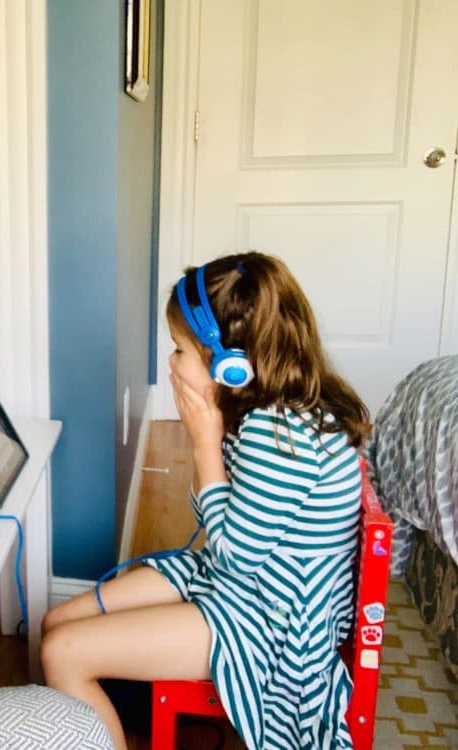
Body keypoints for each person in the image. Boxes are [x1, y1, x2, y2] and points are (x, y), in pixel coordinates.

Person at [41, 251, 369, 750]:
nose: (171, 364)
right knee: (56, 621)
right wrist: (210, 444)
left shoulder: (280, 434)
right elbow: (217, 527)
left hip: (269, 621)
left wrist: (202, 445)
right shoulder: (260, 411)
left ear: (231, 365)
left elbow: (235, 556)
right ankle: (115, 707)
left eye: (179, 350)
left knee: (63, 651)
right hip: (239, 583)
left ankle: (105, 698)